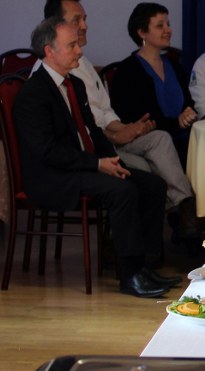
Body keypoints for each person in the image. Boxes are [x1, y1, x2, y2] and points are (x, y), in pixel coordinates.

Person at [13, 17, 173, 297]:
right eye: (71, 45)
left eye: (77, 44)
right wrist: (97, 164)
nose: (80, 50)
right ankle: (130, 276)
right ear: (50, 51)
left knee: (152, 185)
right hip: (52, 176)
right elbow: (47, 151)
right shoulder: (32, 94)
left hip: (79, 166)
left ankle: (145, 265)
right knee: (123, 191)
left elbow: (94, 132)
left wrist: (112, 160)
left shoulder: (74, 84)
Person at [41, 0, 200, 241]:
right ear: (56, 27)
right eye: (77, 20)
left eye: (84, 19)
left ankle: (181, 211)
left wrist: (124, 129)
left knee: (159, 139)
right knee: (147, 172)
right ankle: (176, 216)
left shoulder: (82, 63)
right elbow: (79, 126)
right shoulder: (51, 77)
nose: (85, 25)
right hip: (92, 149)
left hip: (111, 137)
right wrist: (117, 134)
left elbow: (105, 111)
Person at [110, 2, 197, 167]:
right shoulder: (127, 70)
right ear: (142, 32)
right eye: (160, 26)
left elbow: (188, 102)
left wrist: (189, 114)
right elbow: (136, 118)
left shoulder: (175, 65)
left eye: (168, 24)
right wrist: (177, 122)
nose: (168, 30)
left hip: (185, 138)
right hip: (154, 144)